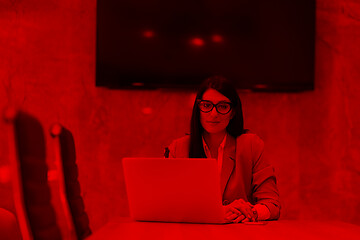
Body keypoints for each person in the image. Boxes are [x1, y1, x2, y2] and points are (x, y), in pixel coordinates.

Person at [167, 76, 280, 223]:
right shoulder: (178, 148)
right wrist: (219, 212)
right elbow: (168, 206)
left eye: (223, 106)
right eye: (207, 105)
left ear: (233, 112)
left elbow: (272, 204)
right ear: (198, 109)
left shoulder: (251, 145)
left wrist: (250, 212)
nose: (214, 114)